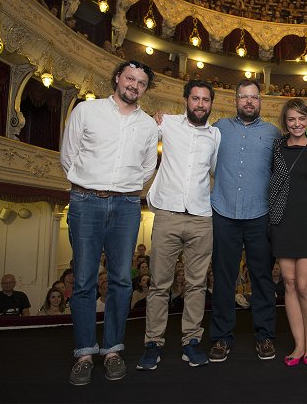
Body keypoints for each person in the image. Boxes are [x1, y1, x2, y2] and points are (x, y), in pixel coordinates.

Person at [60, 60, 158, 386]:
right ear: (117, 78)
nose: (134, 85)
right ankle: (85, 353)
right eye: (130, 78)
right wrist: (89, 184)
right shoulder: (87, 111)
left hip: (128, 205)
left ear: (145, 88)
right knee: (85, 280)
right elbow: (68, 155)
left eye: (141, 82)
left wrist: (124, 191)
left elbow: (147, 168)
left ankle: (113, 349)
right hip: (85, 201)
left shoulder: (147, 125)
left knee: (121, 281)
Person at [137, 80, 220, 371]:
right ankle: (153, 343)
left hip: (201, 217)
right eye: (195, 98)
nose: (200, 104)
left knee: (197, 285)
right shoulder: (167, 124)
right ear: (186, 100)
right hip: (168, 216)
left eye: (205, 100)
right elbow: (138, 127)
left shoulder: (216, 135)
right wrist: (155, 115)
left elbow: (216, 172)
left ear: (211, 104)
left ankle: (191, 342)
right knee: (160, 285)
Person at [208, 79, 281, 363]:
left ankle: (265, 337)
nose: (249, 102)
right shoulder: (219, 129)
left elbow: (281, 173)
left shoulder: (273, 133)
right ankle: (220, 339)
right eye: (243, 97)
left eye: (254, 97)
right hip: (223, 213)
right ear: (235, 100)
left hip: (259, 216)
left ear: (260, 101)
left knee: (262, 280)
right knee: (224, 279)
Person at [268, 98, 307, 366]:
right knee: (289, 284)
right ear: (285, 122)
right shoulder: (277, 149)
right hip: (283, 220)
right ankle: (298, 344)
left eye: (301, 119)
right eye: (291, 119)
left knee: (305, 285)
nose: (296, 124)